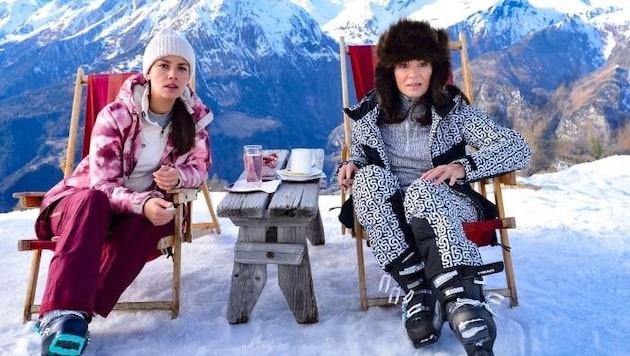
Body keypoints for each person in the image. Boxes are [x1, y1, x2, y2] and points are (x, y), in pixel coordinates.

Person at [337, 19, 531, 355]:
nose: (413, 75)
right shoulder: (371, 112)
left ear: (435, 69)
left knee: (423, 190)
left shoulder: (454, 111)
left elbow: (517, 147)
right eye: (403, 65)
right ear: (390, 71)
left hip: (447, 201)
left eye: (422, 64)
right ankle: (419, 291)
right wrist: (350, 164)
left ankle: (463, 300)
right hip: (393, 211)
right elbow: (362, 155)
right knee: (368, 180)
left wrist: (464, 166)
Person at [32, 28, 213, 356]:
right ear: (147, 71)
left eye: (182, 68)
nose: (173, 75)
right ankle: (59, 314)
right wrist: (143, 202)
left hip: (129, 214)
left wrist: (178, 176)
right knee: (94, 201)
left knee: (159, 218)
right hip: (77, 209)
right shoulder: (115, 115)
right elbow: (101, 185)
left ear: (190, 75)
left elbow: (199, 168)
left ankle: (77, 316)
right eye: (163, 65)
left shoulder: (193, 120)